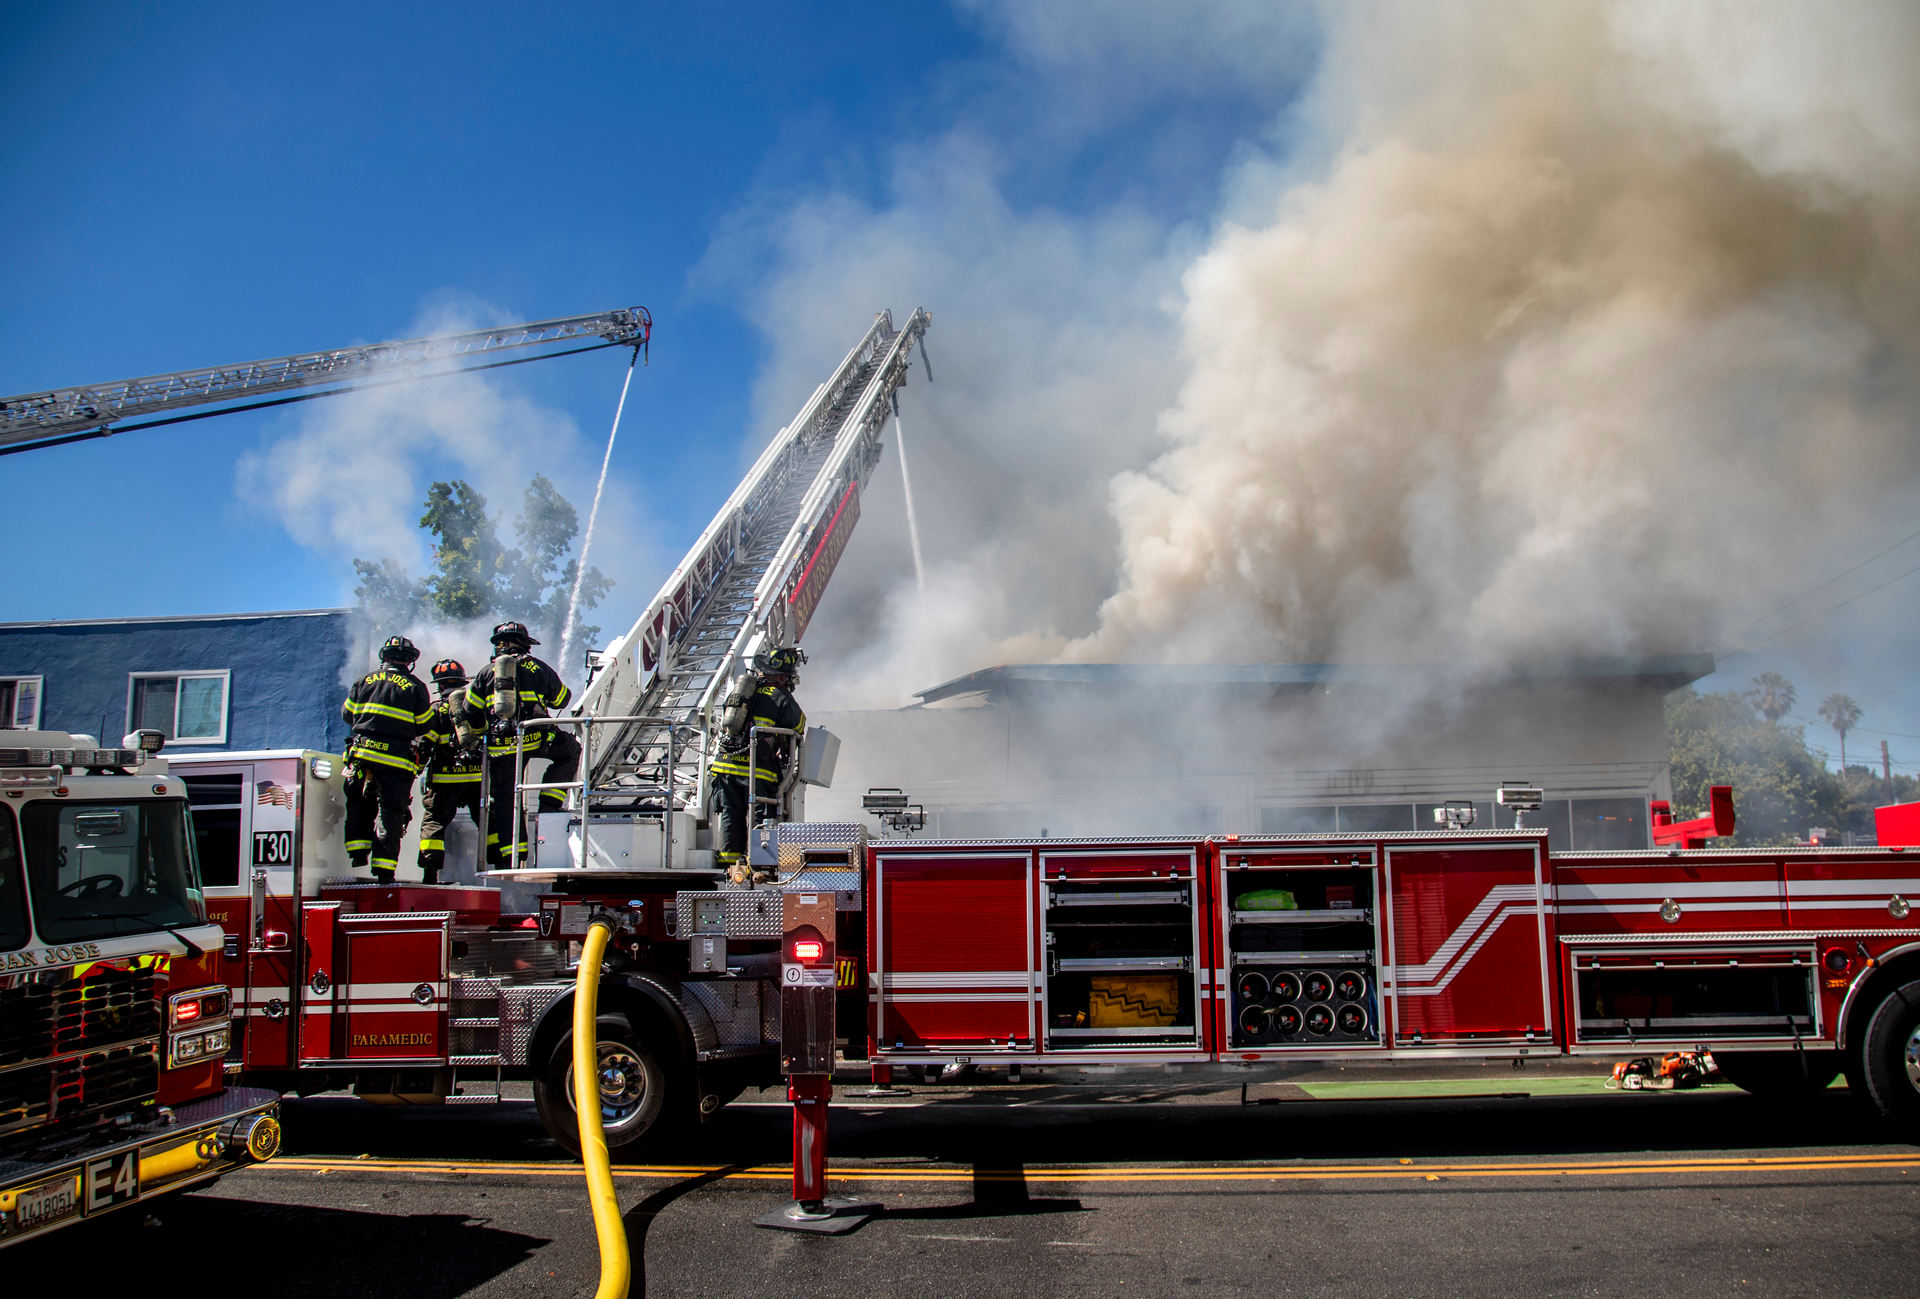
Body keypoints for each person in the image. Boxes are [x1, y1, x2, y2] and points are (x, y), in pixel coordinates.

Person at [463, 622, 578, 867]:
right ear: (525, 644)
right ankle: (550, 803)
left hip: (500, 746)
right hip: (536, 739)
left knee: (506, 799)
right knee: (571, 750)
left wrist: (485, 732)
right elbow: (561, 700)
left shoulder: (486, 672)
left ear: (498, 646)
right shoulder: (538, 668)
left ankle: (513, 855)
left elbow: (469, 709)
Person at [341, 636, 433, 885]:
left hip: (362, 755)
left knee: (359, 802)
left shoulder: (363, 680)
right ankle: (384, 870)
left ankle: (358, 852)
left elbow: (347, 715)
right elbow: (425, 724)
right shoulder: (416, 686)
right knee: (390, 812)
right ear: (410, 661)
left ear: (385, 657)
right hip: (395, 760)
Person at [709, 646, 806, 881]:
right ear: (784, 676)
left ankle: (730, 871)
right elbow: (799, 725)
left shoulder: (743, 692)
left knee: (730, 817)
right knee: (761, 819)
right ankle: (759, 868)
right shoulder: (781, 696)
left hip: (725, 767)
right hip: (758, 770)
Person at [413, 659, 484, 884]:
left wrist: (415, 769)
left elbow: (425, 745)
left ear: (440, 686)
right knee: (486, 820)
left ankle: (430, 873)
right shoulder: (475, 707)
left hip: (445, 780)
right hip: (477, 779)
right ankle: (500, 864)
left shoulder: (435, 709)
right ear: (463, 683)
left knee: (434, 822)